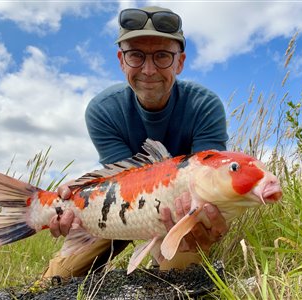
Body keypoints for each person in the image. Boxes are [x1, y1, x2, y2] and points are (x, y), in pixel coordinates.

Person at [42, 6, 229, 279]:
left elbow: (210, 181)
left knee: (178, 279)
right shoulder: (102, 110)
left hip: (182, 216)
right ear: (121, 60)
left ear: (180, 62)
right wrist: (80, 193)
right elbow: (119, 179)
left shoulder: (205, 105)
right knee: (58, 278)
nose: (149, 70)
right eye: (136, 56)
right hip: (118, 210)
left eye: (163, 56)